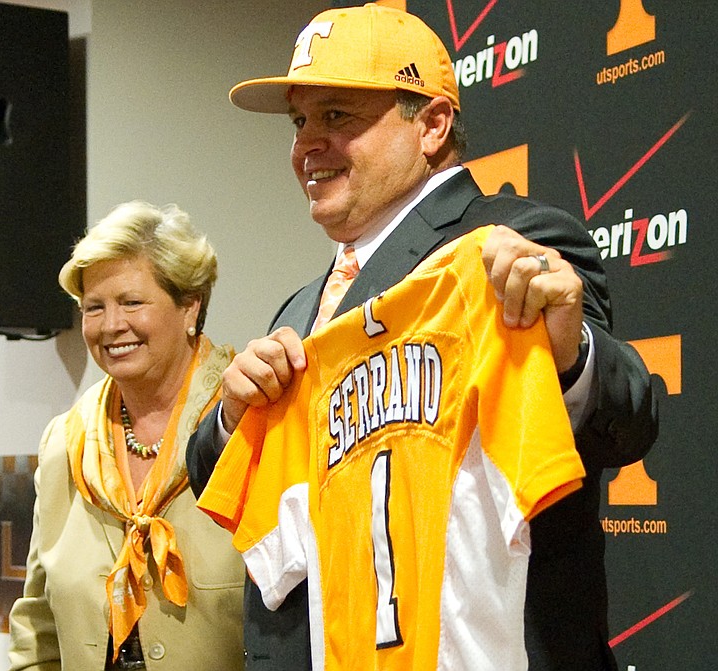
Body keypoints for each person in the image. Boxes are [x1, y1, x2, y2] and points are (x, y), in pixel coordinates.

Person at [187, 4, 658, 671]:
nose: (306, 145)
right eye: (300, 121)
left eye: (338, 116)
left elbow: (630, 417)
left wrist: (567, 351)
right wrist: (232, 419)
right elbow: (217, 482)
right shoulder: (299, 306)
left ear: (432, 124)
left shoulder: (510, 244)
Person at [8, 201, 246, 670]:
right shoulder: (65, 442)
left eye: (132, 302)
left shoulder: (247, 420)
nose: (112, 325)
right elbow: (38, 631)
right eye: (94, 307)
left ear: (189, 305)